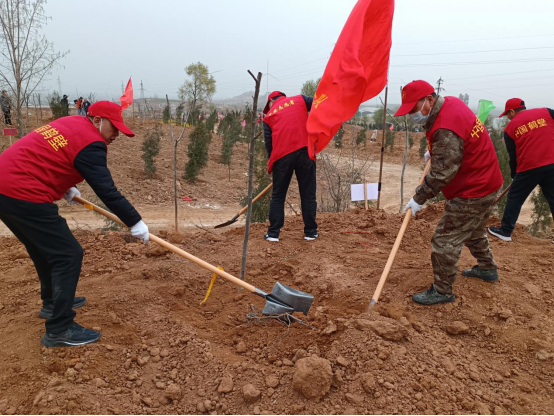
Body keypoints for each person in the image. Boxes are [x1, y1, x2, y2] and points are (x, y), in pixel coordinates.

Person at [0, 101, 149, 348]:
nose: (117, 135)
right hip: (22, 192)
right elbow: (107, 191)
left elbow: (49, 153)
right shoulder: (92, 144)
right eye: (114, 128)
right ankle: (59, 328)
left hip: (5, 185)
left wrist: (63, 182)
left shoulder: (70, 123)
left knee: (44, 250)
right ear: (98, 120)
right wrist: (135, 221)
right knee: (68, 254)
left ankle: (52, 304)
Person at [394, 80, 503, 305]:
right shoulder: (450, 103)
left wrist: (418, 198)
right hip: (488, 181)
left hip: (474, 189)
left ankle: (443, 291)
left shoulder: (445, 126)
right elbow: (455, 141)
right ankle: (487, 268)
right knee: (473, 230)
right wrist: (435, 150)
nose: (413, 115)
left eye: (414, 109)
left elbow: (442, 174)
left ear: (429, 100)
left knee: (444, 239)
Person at [488, 99, 554, 243]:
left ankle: (505, 232)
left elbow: (513, 158)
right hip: (552, 163)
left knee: (515, 198)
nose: (508, 118)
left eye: (507, 115)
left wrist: (514, 176)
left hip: (529, 168)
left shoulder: (510, 129)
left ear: (512, 111)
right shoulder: (547, 112)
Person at [263, 91, 318, 242]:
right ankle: (311, 232)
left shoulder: (268, 117)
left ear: (271, 101)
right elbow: (318, 104)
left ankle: (273, 234)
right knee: (308, 195)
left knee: (278, 196)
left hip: (282, 157)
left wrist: (274, 164)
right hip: (305, 152)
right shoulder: (300, 99)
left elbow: (269, 144)